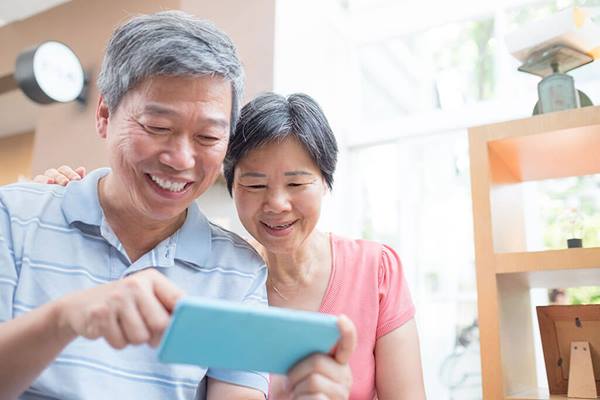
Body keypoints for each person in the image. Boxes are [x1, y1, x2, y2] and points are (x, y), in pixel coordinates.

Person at [1, 11, 355, 400]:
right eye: (158, 128)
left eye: (207, 136)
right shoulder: (14, 216)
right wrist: (64, 319)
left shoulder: (236, 270)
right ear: (104, 114)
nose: (182, 159)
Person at [38, 93, 426, 399]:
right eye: (255, 185)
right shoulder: (223, 280)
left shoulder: (376, 269)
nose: (276, 204)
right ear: (231, 185)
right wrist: (56, 200)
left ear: (325, 181)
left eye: (296, 183)